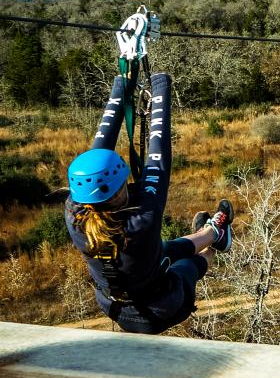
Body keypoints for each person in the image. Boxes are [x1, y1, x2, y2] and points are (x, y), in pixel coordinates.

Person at [64, 72, 233, 333]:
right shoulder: (142, 220)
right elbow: (158, 157)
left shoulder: (75, 215)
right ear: (121, 188)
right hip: (161, 306)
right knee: (187, 265)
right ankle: (214, 246)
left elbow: (97, 153)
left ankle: (213, 232)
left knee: (164, 250)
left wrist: (123, 85)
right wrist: (160, 87)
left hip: (113, 303)